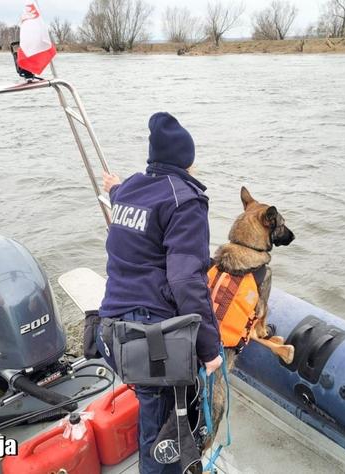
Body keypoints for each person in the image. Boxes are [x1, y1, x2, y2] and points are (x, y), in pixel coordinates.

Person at [97, 112, 223, 474]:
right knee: (163, 436)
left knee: (154, 413)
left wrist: (113, 186)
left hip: (113, 331)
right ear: (188, 159)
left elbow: (121, 193)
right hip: (151, 340)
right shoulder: (186, 201)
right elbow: (186, 280)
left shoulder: (132, 187)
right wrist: (210, 350)